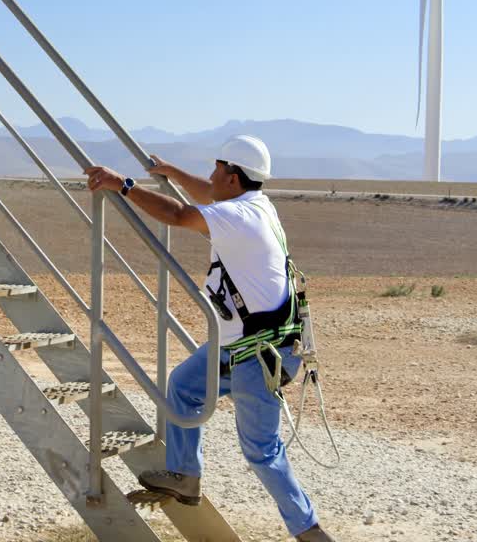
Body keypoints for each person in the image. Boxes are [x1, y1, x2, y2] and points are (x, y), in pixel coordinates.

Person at [84, 135, 334, 542]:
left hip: (258, 354)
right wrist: (174, 173)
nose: (211, 175)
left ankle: (309, 531)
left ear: (233, 178)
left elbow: (181, 215)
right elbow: (206, 194)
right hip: (238, 346)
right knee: (182, 386)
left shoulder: (239, 217)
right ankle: (185, 475)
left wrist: (124, 185)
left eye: (217, 169)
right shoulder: (255, 204)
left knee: (262, 453)